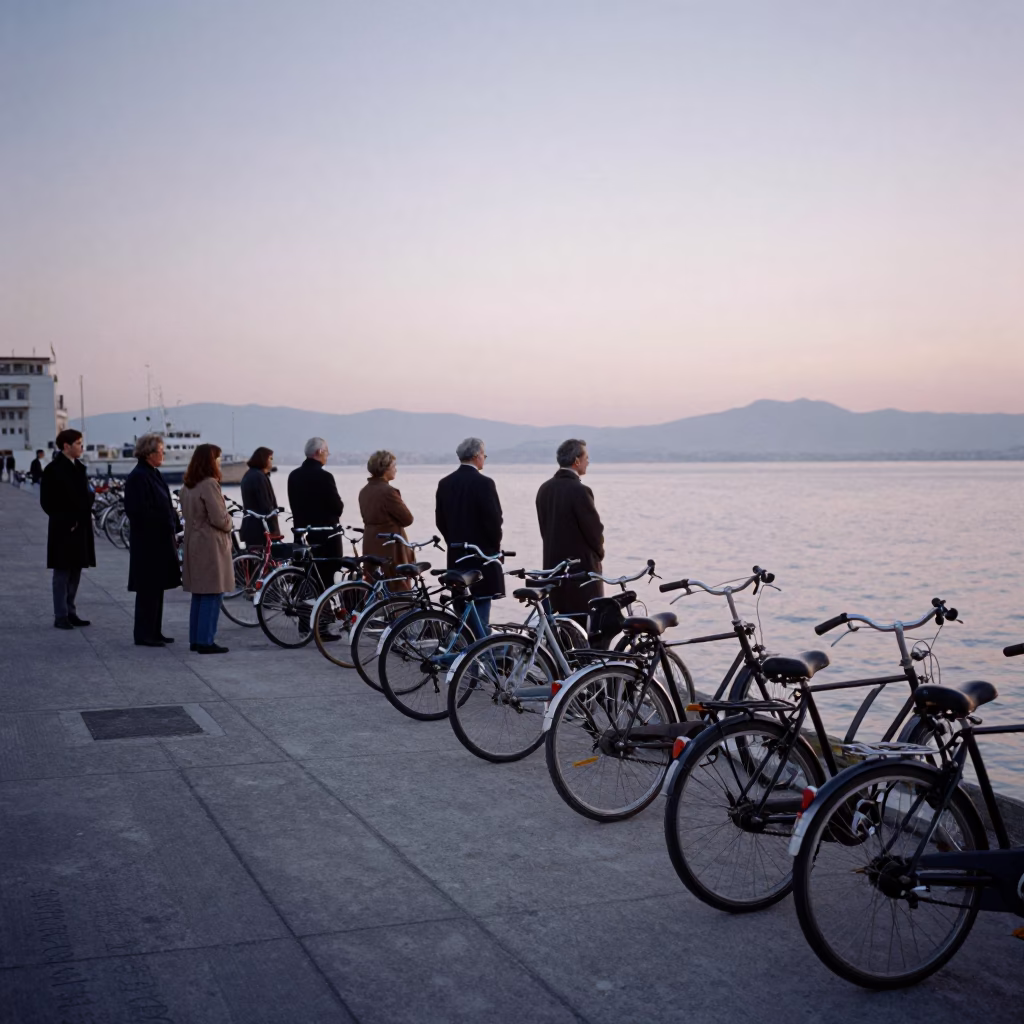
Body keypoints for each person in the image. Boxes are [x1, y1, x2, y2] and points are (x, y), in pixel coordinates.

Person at [435, 437, 504, 630]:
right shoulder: (485, 483)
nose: (484, 458)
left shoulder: (445, 483)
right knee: (481, 608)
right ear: (476, 456)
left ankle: (463, 653)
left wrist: (453, 540)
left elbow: (440, 521)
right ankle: (482, 655)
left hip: (456, 554)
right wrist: (494, 549)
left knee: (462, 609)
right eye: (484, 455)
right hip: (481, 555)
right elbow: (494, 522)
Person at [535, 438, 605, 618]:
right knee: (586, 625)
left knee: (560, 629)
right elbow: (594, 532)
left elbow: (544, 528)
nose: (588, 462)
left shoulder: (544, 489)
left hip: (552, 567)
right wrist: (599, 554)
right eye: (586, 457)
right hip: (580, 572)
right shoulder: (580, 490)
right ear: (576, 461)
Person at [124, 433, 181, 647]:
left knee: (157, 588)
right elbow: (137, 511)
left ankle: (155, 631)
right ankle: (144, 634)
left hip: (159, 540)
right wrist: (162, 524)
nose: (163, 454)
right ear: (149, 453)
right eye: (161, 451)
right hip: (148, 543)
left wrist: (174, 523)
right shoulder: (138, 476)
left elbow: (165, 503)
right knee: (148, 589)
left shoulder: (152, 473)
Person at [39, 428, 95, 629]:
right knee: (62, 571)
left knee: (76, 569)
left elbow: (86, 494)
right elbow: (47, 502)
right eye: (78, 443)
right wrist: (67, 520)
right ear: (66, 446)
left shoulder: (80, 467)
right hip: (63, 529)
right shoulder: (53, 470)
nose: (82, 447)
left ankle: (71, 610)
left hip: (81, 527)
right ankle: (60, 615)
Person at [180, 443, 233, 654]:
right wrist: (230, 522)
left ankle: (196, 638)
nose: (220, 462)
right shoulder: (210, 484)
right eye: (218, 458)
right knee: (213, 592)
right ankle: (206, 641)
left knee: (200, 594)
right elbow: (219, 518)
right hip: (210, 544)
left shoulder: (188, 485)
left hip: (193, 540)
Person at [288, 437, 344, 573]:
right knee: (328, 577)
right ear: (319, 451)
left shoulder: (293, 475)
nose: (327, 456)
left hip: (303, 535)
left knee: (308, 575)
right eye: (326, 452)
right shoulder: (325, 477)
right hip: (326, 536)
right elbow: (338, 508)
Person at [359, 450, 414, 588]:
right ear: (385, 468)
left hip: (370, 542)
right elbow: (407, 519)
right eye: (393, 466)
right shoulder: (388, 492)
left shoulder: (364, 491)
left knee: (374, 584)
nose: (396, 469)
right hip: (390, 546)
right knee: (397, 585)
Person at [239, 447, 280, 549]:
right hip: (260, 529)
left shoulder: (250, 474)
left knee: (255, 561)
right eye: (270, 458)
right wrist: (274, 530)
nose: (272, 461)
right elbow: (266, 505)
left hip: (250, 527)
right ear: (263, 459)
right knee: (263, 560)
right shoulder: (259, 477)